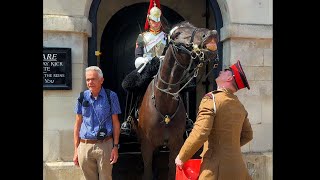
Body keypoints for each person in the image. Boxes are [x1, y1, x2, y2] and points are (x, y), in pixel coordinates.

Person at [175, 60, 253, 180]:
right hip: (239, 170)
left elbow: (200, 133)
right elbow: (248, 135)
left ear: (229, 78)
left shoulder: (211, 99)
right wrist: (228, 147)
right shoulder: (239, 106)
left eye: (225, 71)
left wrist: (182, 157)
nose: (221, 71)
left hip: (214, 170)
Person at [120, 0, 169, 134]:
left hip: (163, 68)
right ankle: (128, 118)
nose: (156, 23)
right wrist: (145, 61)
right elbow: (138, 55)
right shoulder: (142, 37)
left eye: (158, 21)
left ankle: (186, 118)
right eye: (154, 21)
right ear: (149, 20)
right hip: (146, 67)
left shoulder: (166, 37)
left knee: (179, 84)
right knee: (132, 85)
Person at [73, 66, 122, 180]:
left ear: (101, 80)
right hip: (85, 146)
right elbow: (77, 124)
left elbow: (116, 123)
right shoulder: (82, 97)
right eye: (88, 79)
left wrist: (115, 147)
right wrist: (76, 149)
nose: (90, 82)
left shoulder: (111, 96)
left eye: (93, 79)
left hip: (105, 145)